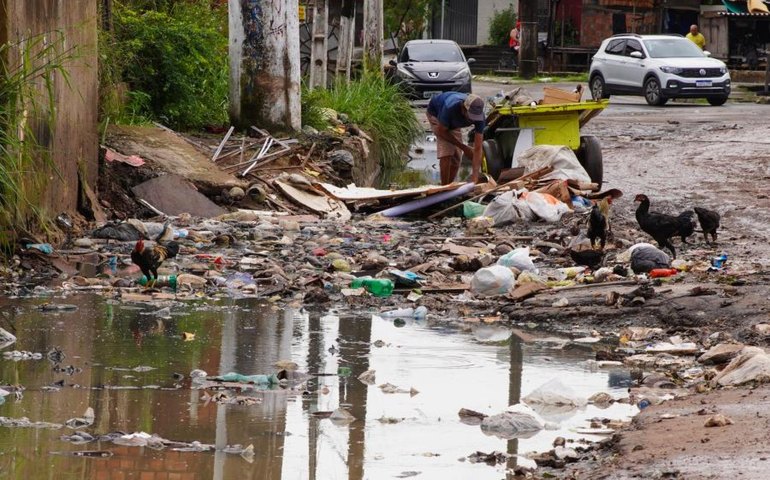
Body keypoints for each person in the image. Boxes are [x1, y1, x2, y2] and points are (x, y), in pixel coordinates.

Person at [426, 92, 485, 185]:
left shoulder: (480, 117)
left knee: (457, 157)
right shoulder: (450, 107)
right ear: (463, 108)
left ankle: (449, 186)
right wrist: (464, 148)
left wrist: (475, 177)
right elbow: (441, 131)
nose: (473, 120)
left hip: (454, 122)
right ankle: (444, 188)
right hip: (437, 115)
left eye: (475, 117)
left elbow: (478, 148)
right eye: (471, 116)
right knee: (447, 151)